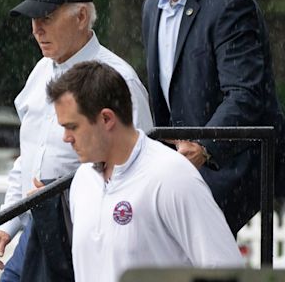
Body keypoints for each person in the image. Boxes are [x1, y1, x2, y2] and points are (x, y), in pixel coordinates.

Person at [119, 0, 285, 234]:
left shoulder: (229, 5)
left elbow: (246, 94)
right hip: (180, 166)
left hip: (233, 164)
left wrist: (204, 147)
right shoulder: (152, 7)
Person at [0, 0, 153, 282]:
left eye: (46, 18)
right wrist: (7, 223)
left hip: (83, 232)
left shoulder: (120, 81)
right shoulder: (39, 73)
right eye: (33, 20)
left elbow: (141, 165)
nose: (36, 29)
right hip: (37, 228)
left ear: (81, 17)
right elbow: (28, 158)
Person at [46, 60, 244, 282]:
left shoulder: (172, 176)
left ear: (106, 119)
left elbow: (226, 271)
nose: (66, 137)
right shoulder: (82, 181)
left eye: (72, 126)